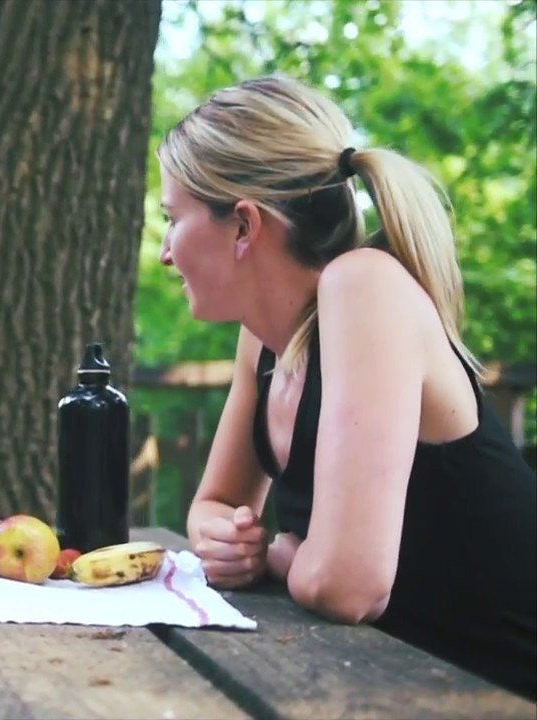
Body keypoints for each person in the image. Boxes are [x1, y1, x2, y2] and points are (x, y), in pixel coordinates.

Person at [160, 75, 535, 698]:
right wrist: (222, 540)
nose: (167, 252)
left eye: (173, 220)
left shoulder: (364, 287)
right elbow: (216, 503)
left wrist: (279, 553)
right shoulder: (263, 339)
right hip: (403, 682)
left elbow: (347, 585)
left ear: (244, 227)